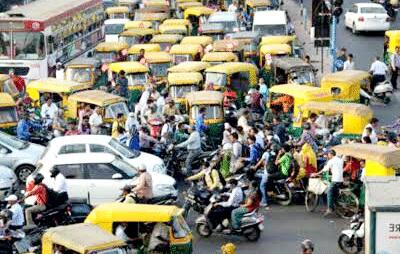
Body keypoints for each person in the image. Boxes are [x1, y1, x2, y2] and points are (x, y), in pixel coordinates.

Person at [314, 150, 344, 216]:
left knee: (329, 192)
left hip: (335, 180)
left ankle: (330, 209)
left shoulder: (331, 161)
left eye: (328, 155)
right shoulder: (340, 160)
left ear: (331, 154)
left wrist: (317, 173)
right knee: (335, 194)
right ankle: (337, 208)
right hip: (340, 179)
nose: (328, 156)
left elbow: (325, 169)